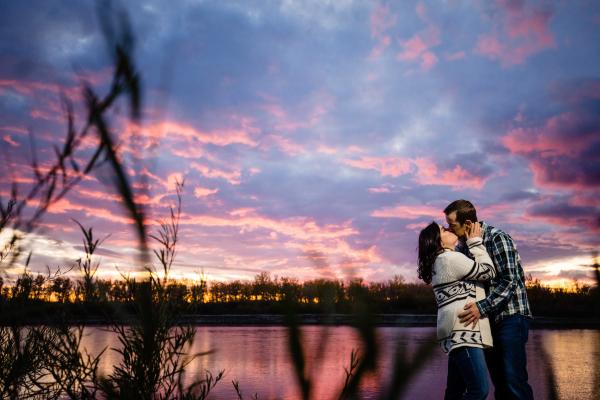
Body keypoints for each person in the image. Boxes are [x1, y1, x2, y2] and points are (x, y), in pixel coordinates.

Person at [444, 199, 533, 400]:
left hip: (511, 317)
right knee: (499, 384)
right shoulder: (463, 248)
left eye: (452, 224)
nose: (449, 229)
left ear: (467, 224)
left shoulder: (498, 238)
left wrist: (481, 307)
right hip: (487, 320)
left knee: (513, 380)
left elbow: (510, 281)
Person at [418, 221, 496, 400]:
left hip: (454, 334)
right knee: (480, 390)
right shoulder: (450, 259)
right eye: (443, 230)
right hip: (464, 333)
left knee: (454, 393)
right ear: (438, 241)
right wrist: (476, 243)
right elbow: (488, 271)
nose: (448, 228)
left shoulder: (440, 261)